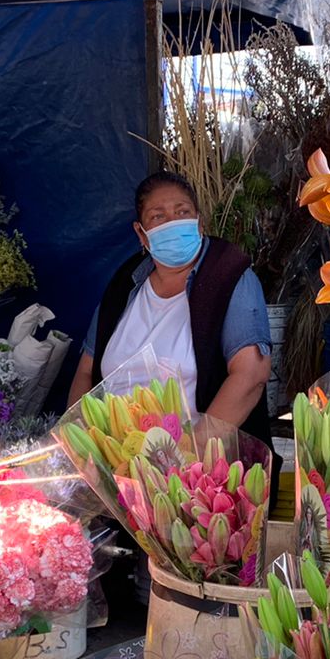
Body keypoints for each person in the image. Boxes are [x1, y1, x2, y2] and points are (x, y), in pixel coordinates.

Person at [68, 171, 273, 455]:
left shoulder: (229, 276)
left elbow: (251, 377)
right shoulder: (124, 284)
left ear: (199, 222)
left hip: (200, 474)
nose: (173, 222)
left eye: (182, 212)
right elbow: (85, 372)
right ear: (141, 233)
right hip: (116, 463)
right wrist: (81, 448)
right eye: (158, 216)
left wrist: (185, 462)